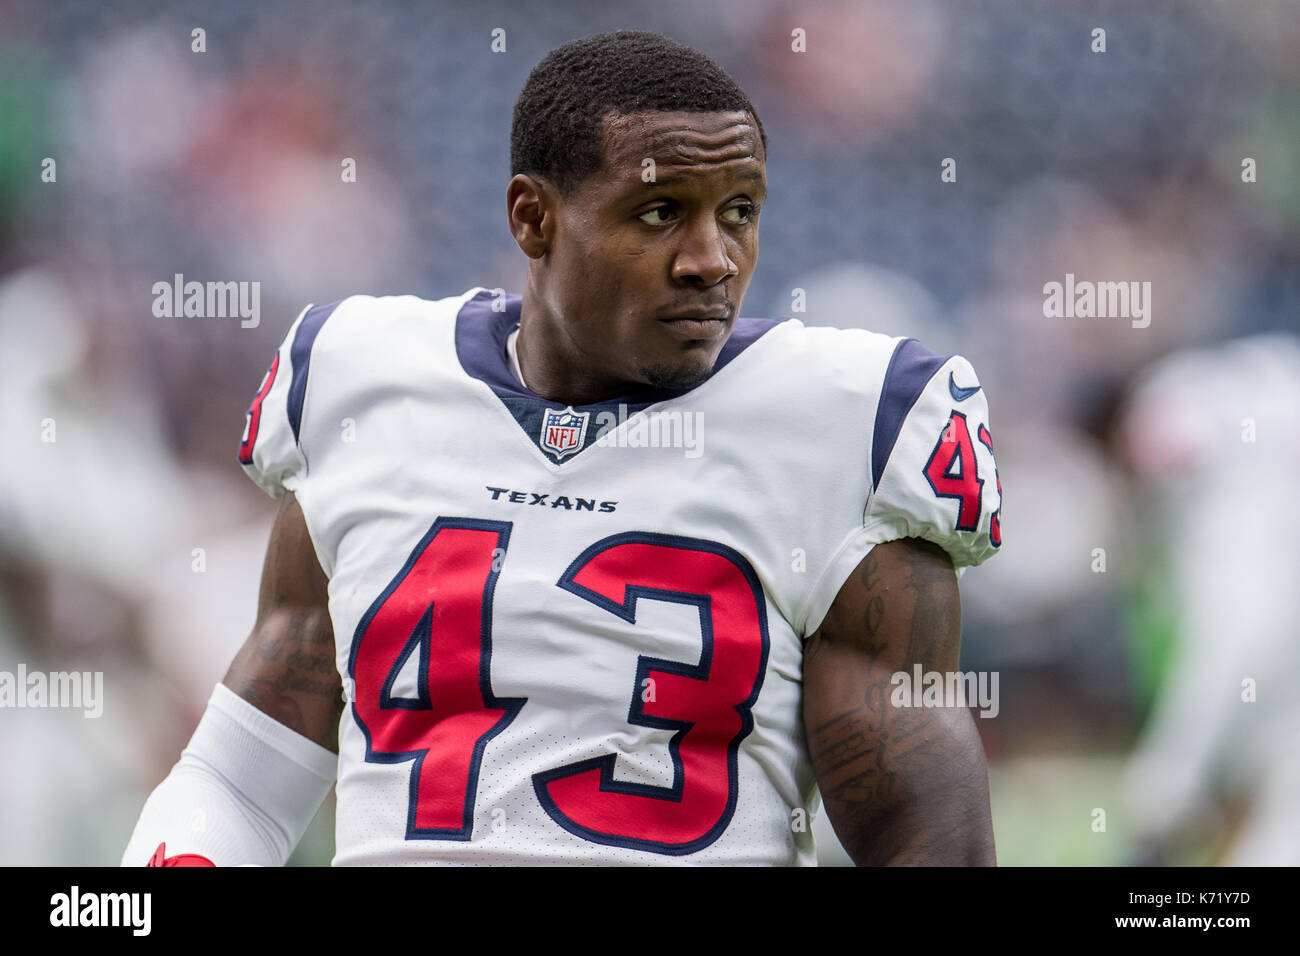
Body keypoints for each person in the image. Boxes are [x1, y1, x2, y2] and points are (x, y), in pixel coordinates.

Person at [122, 30, 1002, 867]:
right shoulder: (365, 384)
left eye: (740, 212)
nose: (713, 259)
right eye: (661, 213)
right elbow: (242, 780)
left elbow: (923, 836)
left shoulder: (840, 423)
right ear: (533, 218)